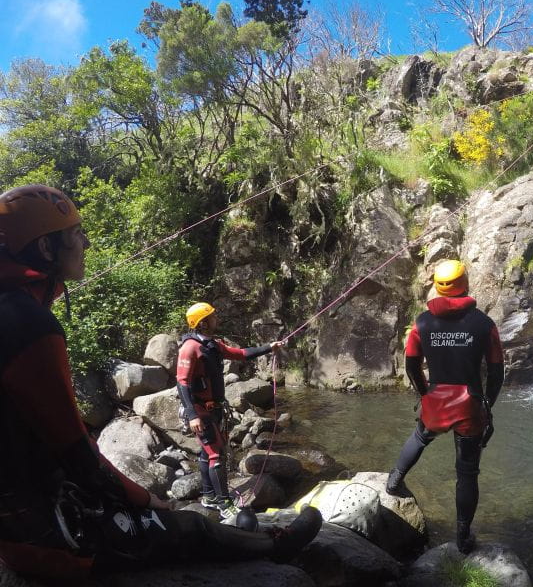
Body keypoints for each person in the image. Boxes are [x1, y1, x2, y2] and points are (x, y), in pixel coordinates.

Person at [0, 184, 322, 581]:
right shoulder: (25, 324)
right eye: (75, 234)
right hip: (41, 534)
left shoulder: (12, 310)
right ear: (45, 249)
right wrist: (145, 498)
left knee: (202, 473)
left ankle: (232, 523)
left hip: (25, 514)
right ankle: (270, 542)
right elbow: (75, 451)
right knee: (188, 524)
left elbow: (236, 355)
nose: (85, 242)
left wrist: (268, 347)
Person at [385, 260, 504, 554]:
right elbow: (497, 370)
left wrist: (425, 393)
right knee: (466, 473)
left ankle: (393, 482)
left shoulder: (422, 323)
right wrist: (487, 404)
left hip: (436, 402)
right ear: (465, 282)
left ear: (437, 286)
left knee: (420, 436)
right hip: (469, 406)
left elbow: (411, 363)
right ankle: (463, 537)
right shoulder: (485, 324)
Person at [177, 303, 284, 519]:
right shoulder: (190, 348)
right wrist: (192, 414)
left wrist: (269, 347)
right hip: (200, 410)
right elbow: (182, 382)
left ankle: (209, 496)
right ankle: (225, 505)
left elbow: (242, 354)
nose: (217, 318)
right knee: (216, 455)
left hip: (215, 409)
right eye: (213, 316)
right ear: (203, 323)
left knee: (209, 455)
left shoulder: (213, 345)